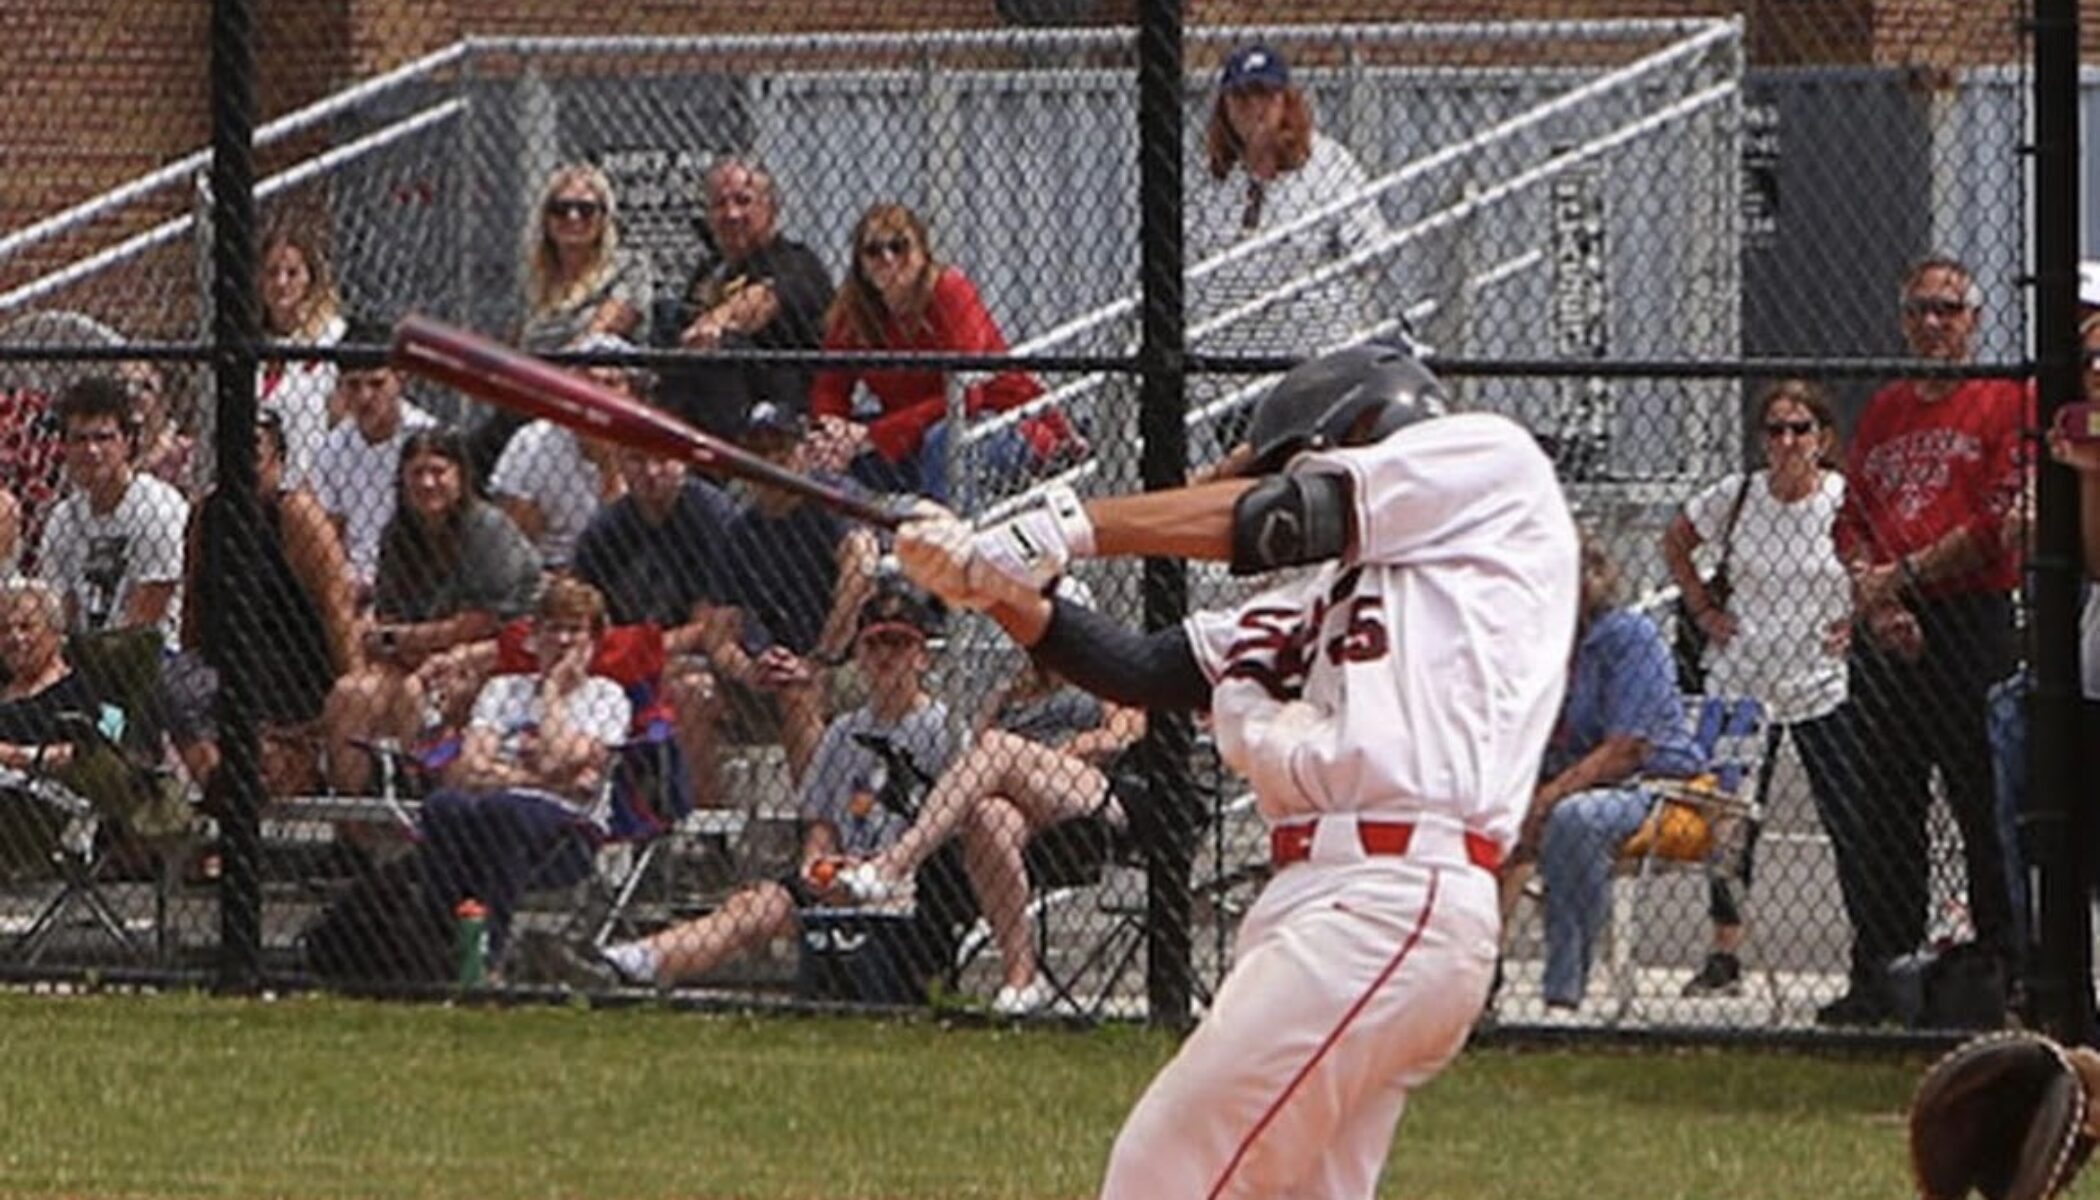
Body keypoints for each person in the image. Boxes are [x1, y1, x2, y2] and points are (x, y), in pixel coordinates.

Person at [891, 341, 1577, 1197]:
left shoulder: (1487, 464)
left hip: (1394, 890)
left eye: (1294, 457)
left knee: (1166, 1171)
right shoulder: (1316, 598)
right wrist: (983, 580)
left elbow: (1282, 513)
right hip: (1329, 896)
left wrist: (1066, 526)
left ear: (1367, 421)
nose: (1276, 478)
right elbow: (1140, 668)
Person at [573, 580, 963, 991]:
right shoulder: (845, 732)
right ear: (859, 657)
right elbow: (823, 823)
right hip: (846, 871)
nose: (885, 655)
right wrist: (816, 866)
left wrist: (886, 869)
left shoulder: (943, 729)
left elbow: (953, 833)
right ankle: (630, 963)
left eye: (899, 643)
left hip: (916, 879)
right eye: (874, 644)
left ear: (922, 657)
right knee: (758, 903)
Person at [1826, 254, 2024, 1026]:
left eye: (1949, 310)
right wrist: (1876, 599)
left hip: (1969, 618)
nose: (1933, 324)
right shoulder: (1885, 410)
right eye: (1920, 311)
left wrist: (1899, 575)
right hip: (1890, 624)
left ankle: (2001, 970)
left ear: (1973, 321)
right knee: (1883, 804)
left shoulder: (2007, 398)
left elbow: (1991, 525)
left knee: (1983, 799)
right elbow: (1854, 518)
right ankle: (1884, 971)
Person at [846, 594, 1144, 1016]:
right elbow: (974, 762)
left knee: (997, 747)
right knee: (989, 815)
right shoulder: (1010, 693)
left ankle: (897, 862)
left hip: (1090, 794)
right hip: (1022, 805)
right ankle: (1021, 978)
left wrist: (1075, 746)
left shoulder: (1105, 681)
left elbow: (1125, 734)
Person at [1658, 380, 1858, 997]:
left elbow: (1875, 558)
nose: (1789, 441)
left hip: (1820, 678)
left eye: (1801, 429)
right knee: (1730, 819)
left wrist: (1857, 616)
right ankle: (1725, 951)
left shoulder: (1843, 500)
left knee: (1846, 815)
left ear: (1824, 438)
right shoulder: (1738, 496)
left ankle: (1867, 951)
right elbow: (1676, 541)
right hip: (1740, 678)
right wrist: (1703, 611)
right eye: (1776, 429)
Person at [1503, 536, 1701, 1011]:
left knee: (1576, 818)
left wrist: (1546, 798)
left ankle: (1562, 996)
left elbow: (1626, 748)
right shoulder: (1542, 646)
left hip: (1650, 788)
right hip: (1563, 781)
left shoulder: (1627, 636)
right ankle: (1474, 981)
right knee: (1482, 818)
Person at [417, 577, 633, 970]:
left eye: (575, 629)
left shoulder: (608, 697)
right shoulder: (503, 689)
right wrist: (544, 776)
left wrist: (551, 691)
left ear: (594, 639)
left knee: (504, 808)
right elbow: (469, 768)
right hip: (487, 813)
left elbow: (556, 760)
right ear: (534, 636)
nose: (564, 640)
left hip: (566, 834)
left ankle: (490, 955)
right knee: (443, 804)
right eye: (553, 628)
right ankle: (437, 946)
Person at [318, 427, 541, 794]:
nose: (427, 483)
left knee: (415, 692)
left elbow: (480, 623)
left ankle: (423, 804)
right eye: (416, 472)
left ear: (460, 475)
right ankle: (354, 828)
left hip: (498, 654)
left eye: (438, 471)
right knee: (349, 695)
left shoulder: (487, 527)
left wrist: (399, 638)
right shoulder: (398, 533)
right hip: (418, 654)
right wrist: (392, 638)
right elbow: (390, 616)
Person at [806, 201, 1050, 502]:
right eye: (873, 251)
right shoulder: (855, 310)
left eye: (899, 247)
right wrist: (832, 432)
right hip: (909, 432)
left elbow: (966, 397)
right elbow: (831, 385)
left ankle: (949, 540)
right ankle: (857, 543)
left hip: (999, 420)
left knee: (943, 441)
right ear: (861, 265)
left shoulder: (950, 291)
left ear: (922, 253)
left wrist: (873, 437)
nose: (888, 258)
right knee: (813, 457)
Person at [182, 410, 361, 795]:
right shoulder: (207, 514)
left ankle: (265, 779)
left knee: (267, 758)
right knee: (176, 686)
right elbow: (193, 605)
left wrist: (348, 695)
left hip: (292, 675)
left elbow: (336, 608)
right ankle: (221, 782)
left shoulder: (294, 514)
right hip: (223, 670)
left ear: (278, 459)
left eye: (254, 452)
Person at [1187, 43, 1390, 364]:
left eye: (1264, 95)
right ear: (1224, 106)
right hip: (1223, 360)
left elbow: (1371, 251)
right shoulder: (1209, 177)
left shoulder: (1327, 163)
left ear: (1286, 102)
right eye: (1240, 97)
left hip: (1308, 359)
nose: (1253, 108)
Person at [570, 447, 744, 806]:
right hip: (626, 657)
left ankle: (704, 830)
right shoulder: (608, 528)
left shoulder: (711, 515)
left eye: (662, 457)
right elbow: (581, 609)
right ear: (620, 464)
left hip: (709, 659)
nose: (650, 471)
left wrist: (637, 652)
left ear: (684, 461)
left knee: (689, 689)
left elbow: (711, 626)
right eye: (637, 459)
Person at [717, 400, 880, 782]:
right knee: (692, 688)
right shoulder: (741, 530)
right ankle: (711, 837)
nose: (771, 462)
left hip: (852, 661)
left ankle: (819, 826)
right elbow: (718, 633)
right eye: (758, 452)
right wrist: (749, 670)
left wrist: (820, 659)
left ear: (803, 450)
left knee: (798, 691)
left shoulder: (831, 497)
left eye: (780, 449)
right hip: (776, 668)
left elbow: (861, 572)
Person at [473, 164, 655, 476]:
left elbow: (600, 334)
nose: (573, 218)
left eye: (585, 210)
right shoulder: (536, 284)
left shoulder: (628, 267)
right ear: (546, 219)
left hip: (589, 392)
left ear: (603, 218)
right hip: (530, 397)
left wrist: (540, 375)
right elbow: (513, 348)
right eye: (561, 209)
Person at [660, 157, 833, 436]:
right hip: (703, 408)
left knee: (721, 347)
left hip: (773, 415)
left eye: (744, 201)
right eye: (719, 204)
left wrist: (715, 322)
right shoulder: (710, 270)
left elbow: (763, 300)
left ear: (772, 208)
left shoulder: (797, 262)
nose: (731, 214)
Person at [35, 375, 190, 649]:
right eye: (79, 439)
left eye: (103, 438)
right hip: (81, 657)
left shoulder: (158, 508)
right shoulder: (63, 517)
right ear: (65, 447)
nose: (91, 450)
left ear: (127, 442)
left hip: (149, 657)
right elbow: (61, 612)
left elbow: (145, 615)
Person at [311, 319, 438, 602]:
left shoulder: (426, 437)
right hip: (351, 582)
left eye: (377, 384)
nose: (365, 397)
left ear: (401, 377)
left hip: (417, 577)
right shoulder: (332, 447)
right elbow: (330, 533)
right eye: (353, 386)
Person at [487, 332, 631, 572]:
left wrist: (609, 467)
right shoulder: (533, 443)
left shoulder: (648, 446)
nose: (600, 395)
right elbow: (514, 545)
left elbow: (629, 538)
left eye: (612, 383)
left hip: (625, 570)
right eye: (590, 382)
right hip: (550, 571)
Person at [257, 222, 349, 487]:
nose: (281, 283)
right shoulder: (254, 344)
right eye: (272, 273)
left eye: (292, 273)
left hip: (315, 486)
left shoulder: (332, 337)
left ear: (311, 278)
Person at [118, 359, 194, 493]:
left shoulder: (181, 450)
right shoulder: (118, 443)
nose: (132, 394)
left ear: (166, 397)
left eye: (145, 387)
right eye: (124, 385)